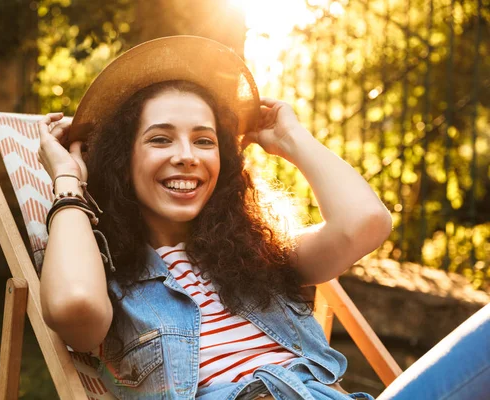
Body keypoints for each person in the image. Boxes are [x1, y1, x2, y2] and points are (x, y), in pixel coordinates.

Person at [36, 36, 490, 400]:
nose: (187, 156)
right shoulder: (108, 281)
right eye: (160, 139)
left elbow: (366, 223)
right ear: (121, 160)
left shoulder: (257, 256)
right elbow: (73, 306)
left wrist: (293, 138)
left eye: (204, 140)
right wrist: (68, 179)